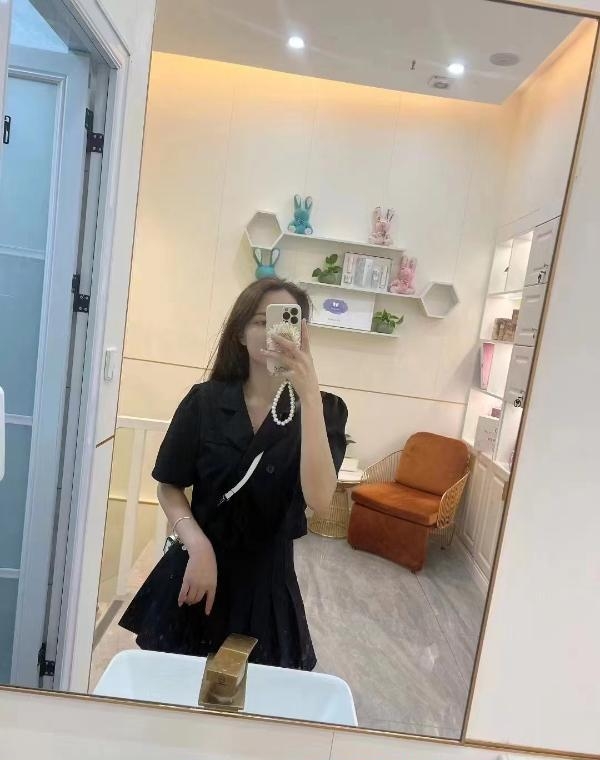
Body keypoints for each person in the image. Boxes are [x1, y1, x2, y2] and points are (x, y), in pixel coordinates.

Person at [119, 278, 348, 670]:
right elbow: (169, 485)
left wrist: (309, 395)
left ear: (302, 333)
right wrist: (197, 544)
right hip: (197, 571)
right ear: (240, 333)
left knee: (255, 698)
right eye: (260, 321)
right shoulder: (205, 402)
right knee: (175, 690)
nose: (272, 332)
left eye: (285, 322)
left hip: (268, 587)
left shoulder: (325, 410)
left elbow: (320, 498)